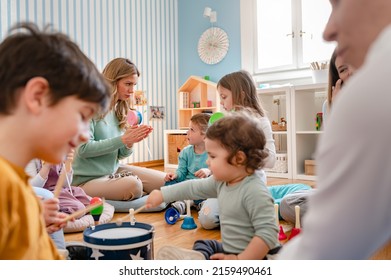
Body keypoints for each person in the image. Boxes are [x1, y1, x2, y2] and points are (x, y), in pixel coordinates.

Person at [279, 0, 391, 259]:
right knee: (290, 200)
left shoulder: (370, 93)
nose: (327, 31)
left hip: (360, 207)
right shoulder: (338, 103)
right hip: (351, 200)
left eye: (338, 4)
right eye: (343, 70)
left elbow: (323, 250)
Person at [0, 22, 110, 259]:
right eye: (82, 115)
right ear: (38, 96)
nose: (84, 135)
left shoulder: (16, 185)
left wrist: (32, 222)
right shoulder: (5, 186)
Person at [146, 110, 280, 260]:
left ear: (238, 158)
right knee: (204, 244)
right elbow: (193, 187)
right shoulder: (221, 182)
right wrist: (164, 194)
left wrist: (240, 260)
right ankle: (199, 259)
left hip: (258, 255)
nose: (208, 162)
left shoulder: (254, 190)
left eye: (213, 156)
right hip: (232, 249)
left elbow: (267, 234)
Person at [71, 58, 166, 201]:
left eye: (134, 85)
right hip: (86, 181)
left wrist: (130, 142)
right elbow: (83, 150)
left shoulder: (118, 110)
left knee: (166, 181)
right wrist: (123, 139)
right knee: (133, 186)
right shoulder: (88, 107)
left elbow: (120, 155)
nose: (132, 90)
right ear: (112, 82)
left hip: (112, 171)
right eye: (128, 84)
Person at [196, 70, 276, 230]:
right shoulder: (226, 122)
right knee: (207, 219)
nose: (222, 103)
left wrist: (245, 153)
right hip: (226, 183)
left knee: (249, 217)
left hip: (250, 185)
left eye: (224, 97)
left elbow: (272, 159)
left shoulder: (260, 122)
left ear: (242, 95)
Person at [165, 113, 211, 214]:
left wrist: (208, 171)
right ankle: (182, 204)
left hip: (205, 190)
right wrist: (175, 175)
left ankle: (200, 205)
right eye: (188, 129)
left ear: (205, 136)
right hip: (188, 188)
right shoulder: (185, 152)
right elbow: (181, 172)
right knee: (169, 183)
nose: (187, 132)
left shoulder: (213, 152)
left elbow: (219, 173)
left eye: (192, 130)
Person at [26, 150, 91, 218]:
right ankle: (53, 213)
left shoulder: (59, 152)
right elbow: (33, 187)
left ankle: (70, 206)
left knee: (93, 204)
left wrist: (68, 164)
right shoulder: (31, 156)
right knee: (79, 208)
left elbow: (65, 184)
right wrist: (47, 166)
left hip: (62, 189)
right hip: (48, 192)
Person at [322, 48, 355, 124]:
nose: (351, 71)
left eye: (353, 63)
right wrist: (338, 107)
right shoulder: (328, 105)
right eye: (343, 70)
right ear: (338, 78)